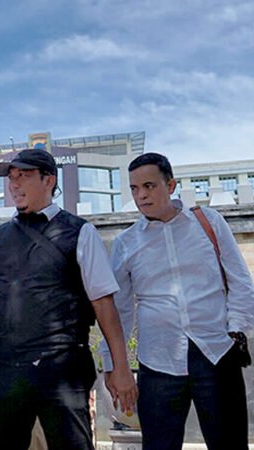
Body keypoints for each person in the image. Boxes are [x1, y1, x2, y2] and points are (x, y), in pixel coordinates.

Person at [0, 149, 138, 450]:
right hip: (6, 369)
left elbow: (103, 304)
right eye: (12, 177)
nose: (15, 184)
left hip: (63, 369)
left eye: (24, 176)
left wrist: (120, 367)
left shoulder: (80, 233)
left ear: (49, 180)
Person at [99, 152, 254, 450]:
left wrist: (236, 331)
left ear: (170, 185)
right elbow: (118, 309)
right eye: (134, 189)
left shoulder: (208, 222)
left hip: (216, 352)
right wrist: (114, 364)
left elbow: (240, 281)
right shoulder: (126, 243)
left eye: (149, 186)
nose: (141, 196)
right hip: (157, 361)